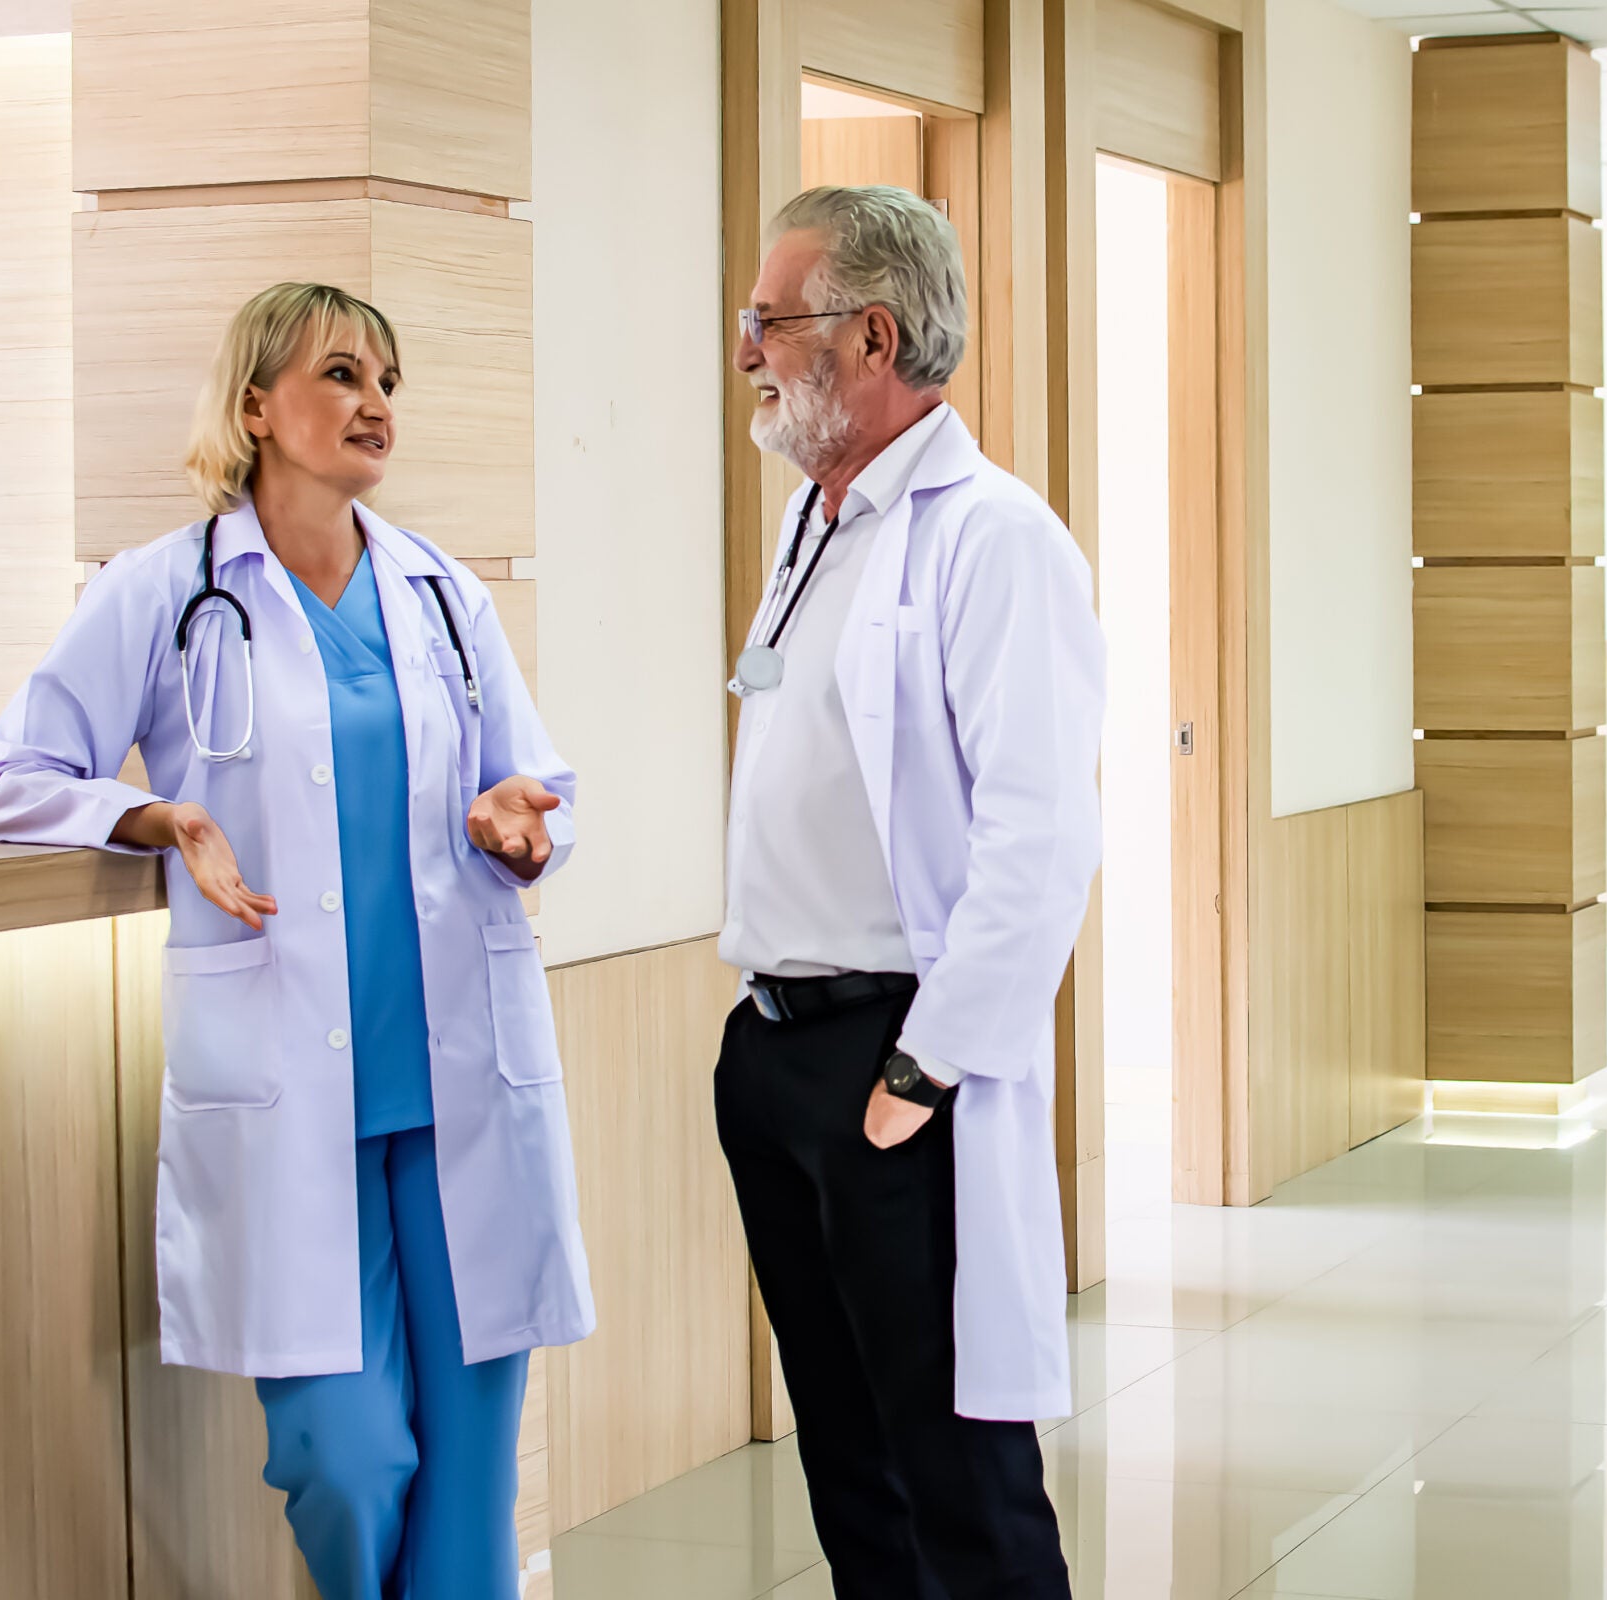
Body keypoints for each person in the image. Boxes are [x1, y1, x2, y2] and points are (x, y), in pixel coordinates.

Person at [0, 283, 589, 1599]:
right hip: (288, 1088)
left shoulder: (440, 595)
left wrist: (519, 825)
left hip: (456, 1079)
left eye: (389, 381)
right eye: (343, 374)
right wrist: (157, 814)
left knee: (472, 1488)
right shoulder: (166, 590)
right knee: (346, 1459)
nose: (375, 404)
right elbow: (10, 777)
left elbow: (535, 789)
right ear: (257, 406)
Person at [716, 185, 1106, 1600]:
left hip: (895, 1063)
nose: (748, 345)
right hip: (774, 1046)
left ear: (871, 337)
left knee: (957, 1479)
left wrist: (924, 1070)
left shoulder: (992, 539)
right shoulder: (818, 523)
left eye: (774, 319)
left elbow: (1042, 834)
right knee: (850, 1471)